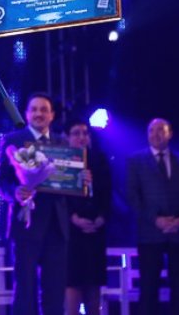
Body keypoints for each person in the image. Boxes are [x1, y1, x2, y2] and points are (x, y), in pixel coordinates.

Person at [0, 93, 70, 315]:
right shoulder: (12, 140)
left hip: (57, 226)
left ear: (52, 115)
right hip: (25, 226)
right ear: (26, 114)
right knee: (25, 289)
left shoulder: (63, 143)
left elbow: (71, 180)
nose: (38, 113)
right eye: (34, 109)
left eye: (44, 109)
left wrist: (83, 182)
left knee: (55, 290)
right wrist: (15, 192)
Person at [125, 118, 179, 315]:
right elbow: (132, 197)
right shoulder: (135, 161)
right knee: (149, 288)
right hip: (149, 233)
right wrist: (155, 219)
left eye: (160, 130)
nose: (155, 134)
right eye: (151, 130)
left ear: (170, 133)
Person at [65, 118, 111, 315]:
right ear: (67, 137)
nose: (82, 137)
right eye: (76, 133)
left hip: (95, 231)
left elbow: (108, 193)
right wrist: (73, 218)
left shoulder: (100, 160)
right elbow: (59, 197)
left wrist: (102, 217)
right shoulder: (61, 161)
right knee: (72, 282)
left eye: (85, 133)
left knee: (94, 284)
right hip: (71, 233)